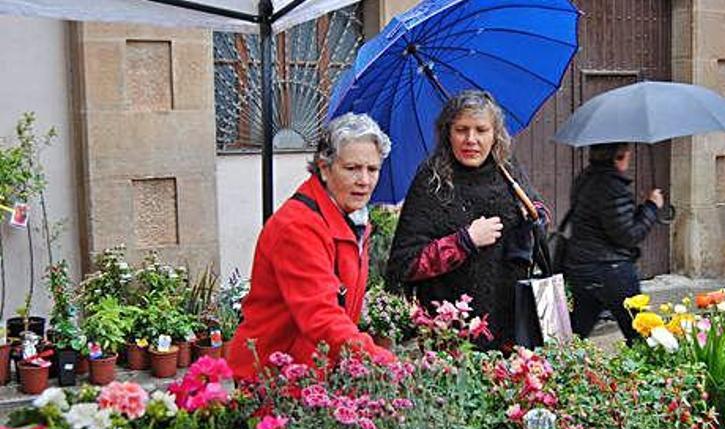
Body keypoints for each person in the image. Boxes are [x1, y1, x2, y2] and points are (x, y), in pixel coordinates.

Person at [227, 113, 396, 379]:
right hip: (273, 378)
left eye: (372, 169)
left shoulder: (352, 218)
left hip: (312, 372)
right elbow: (321, 316)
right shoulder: (299, 226)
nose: (364, 180)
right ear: (325, 168)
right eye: (352, 168)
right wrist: (385, 363)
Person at [385, 90, 548, 351]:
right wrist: (464, 241)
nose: (471, 139)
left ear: (495, 134)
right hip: (454, 335)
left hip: (512, 323)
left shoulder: (506, 169)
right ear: (448, 132)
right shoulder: (430, 181)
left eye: (481, 130)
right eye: (462, 129)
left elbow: (538, 212)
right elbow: (406, 263)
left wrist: (535, 216)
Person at [563, 142, 663, 345]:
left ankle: (553, 367)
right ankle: (650, 374)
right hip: (612, 271)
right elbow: (628, 235)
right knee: (641, 334)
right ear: (618, 157)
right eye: (626, 153)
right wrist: (652, 206)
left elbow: (605, 222)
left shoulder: (585, 178)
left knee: (574, 334)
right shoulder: (613, 187)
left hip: (582, 268)